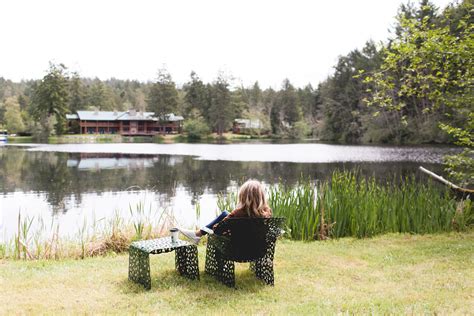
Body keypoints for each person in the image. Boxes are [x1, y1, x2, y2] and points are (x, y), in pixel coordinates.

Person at [179, 179, 272, 244]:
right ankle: (197, 234)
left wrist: (229, 231)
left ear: (243, 197)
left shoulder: (237, 214)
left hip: (236, 248)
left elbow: (216, 230)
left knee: (225, 215)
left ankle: (197, 234)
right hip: (257, 249)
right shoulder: (267, 214)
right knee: (225, 214)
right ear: (261, 197)